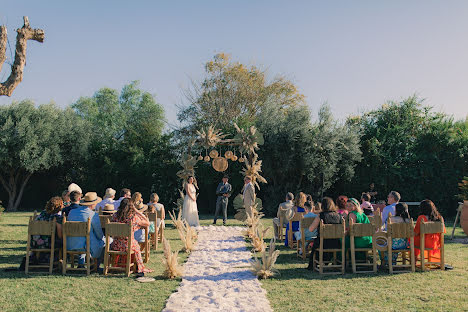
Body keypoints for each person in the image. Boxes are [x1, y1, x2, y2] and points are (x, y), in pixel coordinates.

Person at [111, 198, 153, 274]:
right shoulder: (133, 218)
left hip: (116, 245)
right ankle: (140, 267)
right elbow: (147, 223)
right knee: (137, 247)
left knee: (134, 244)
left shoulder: (115, 216)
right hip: (128, 245)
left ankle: (117, 265)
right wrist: (137, 211)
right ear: (131, 206)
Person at [66, 192, 105, 266]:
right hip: (85, 245)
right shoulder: (93, 215)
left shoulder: (72, 212)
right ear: (93, 204)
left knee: (85, 238)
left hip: (70, 244)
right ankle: (96, 265)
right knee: (105, 241)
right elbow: (99, 234)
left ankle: (81, 264)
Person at [307, 197, 343, 270]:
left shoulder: (321, 216)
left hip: (323, 243)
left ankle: (313, 265)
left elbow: (311, 229)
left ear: (322, 206)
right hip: (336, 243)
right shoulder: (339, 216)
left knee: (314, 247)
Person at [414, 199, 445, 265]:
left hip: (425, 242)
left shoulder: (421, 217)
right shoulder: (439, 218)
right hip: (435, 242)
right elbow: (443, 231)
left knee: (411, 240)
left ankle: (414, 260)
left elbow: (416, 232)